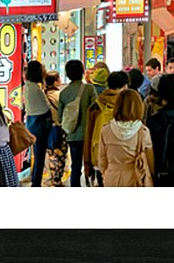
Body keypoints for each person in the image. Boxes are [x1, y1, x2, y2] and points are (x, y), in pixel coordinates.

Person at [96, 88, 154, 186]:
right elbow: (150, 160)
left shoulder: (106, 130)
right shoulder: (143, 131)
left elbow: (102, 159)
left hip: (111, 177)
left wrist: (105, 174)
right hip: (135, 177)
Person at [83, 69, 129, 186]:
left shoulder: (95, 106)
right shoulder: (127, 106)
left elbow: (88, 135)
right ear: (124, 86)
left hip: (99, 159)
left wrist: (87, 164)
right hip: (123, 161)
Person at [58, 59, 97, 187]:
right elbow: (96, 110)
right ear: (82, 72)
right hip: (89, 134)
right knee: (92, 163)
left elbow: (60, 118)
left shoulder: (63, 93)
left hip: (72, 134)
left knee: (76, 165)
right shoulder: (89, 89)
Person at [23, 60, 52, 187]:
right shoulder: (36, 89)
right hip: (39, 124)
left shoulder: (28, 86)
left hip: (31, 123)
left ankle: (35, 180)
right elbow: (46, 108)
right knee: (40, 157)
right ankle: (36, 184)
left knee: (37, 154)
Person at [44, 70, 67, 187]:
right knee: (61, 154)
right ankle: (57, 179)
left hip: (47, 128)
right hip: (59, 128)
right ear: (56, 81)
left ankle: (52, 176)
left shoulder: (44, 94)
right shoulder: (60, 95)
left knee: (51, 153)